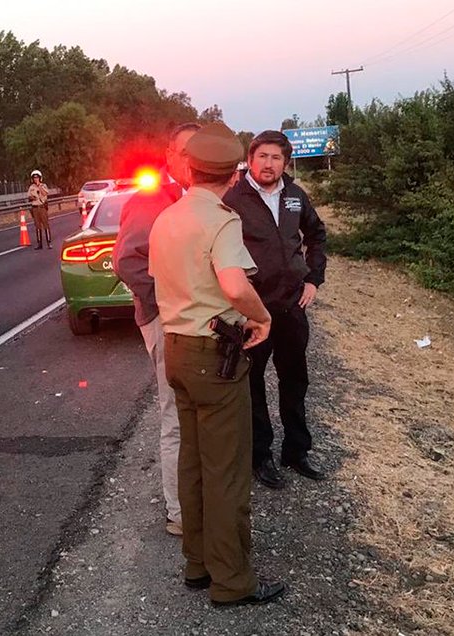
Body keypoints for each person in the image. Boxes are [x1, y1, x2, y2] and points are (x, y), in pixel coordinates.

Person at [149, 121, 286, 607]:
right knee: (227, 470)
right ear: (233, 175)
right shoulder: (221, 221)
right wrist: (262, 315)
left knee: (193, 464)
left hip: (178, 352)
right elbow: (232, 284)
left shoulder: (166, 218)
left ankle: (198, 563)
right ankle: (232, 581)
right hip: (216, 356)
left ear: (190, 169)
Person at [223, 130, 327, 489]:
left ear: (285, 162)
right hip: (252, 311)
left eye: (277, 158)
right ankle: (261, 457)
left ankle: (296, 452)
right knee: (252, 385)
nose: (269, 164)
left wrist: (313, 279)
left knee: (295, 380)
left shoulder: (295, 196)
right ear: (251, 159)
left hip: (291, 307)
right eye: (263, 156)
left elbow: (317, 235)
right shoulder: (232, 198)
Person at [113, 122, 201, 537]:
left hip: (196, 321)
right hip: (168, 321)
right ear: (169, 155)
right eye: (184, 151)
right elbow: (127, 263)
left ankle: (198, 498)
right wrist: (163, 307)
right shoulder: (152, 200)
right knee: (175, 416)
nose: (191, 160)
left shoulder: (200, 198)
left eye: (198, 151)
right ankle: (180, 513)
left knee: (197, 413)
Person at [28, 169, 52, 249]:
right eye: (34, 178)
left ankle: (49, 242)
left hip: (42, 207)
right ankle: (39, 244)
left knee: (46, 225)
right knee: (37, 226)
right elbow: (29, 197)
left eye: (37, 178)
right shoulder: (31, 187)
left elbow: (45, 193)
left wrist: (39, 186)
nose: (36, 179)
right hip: (35, 208)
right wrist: (32, 197)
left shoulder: (43, 185)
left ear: (40, 178)